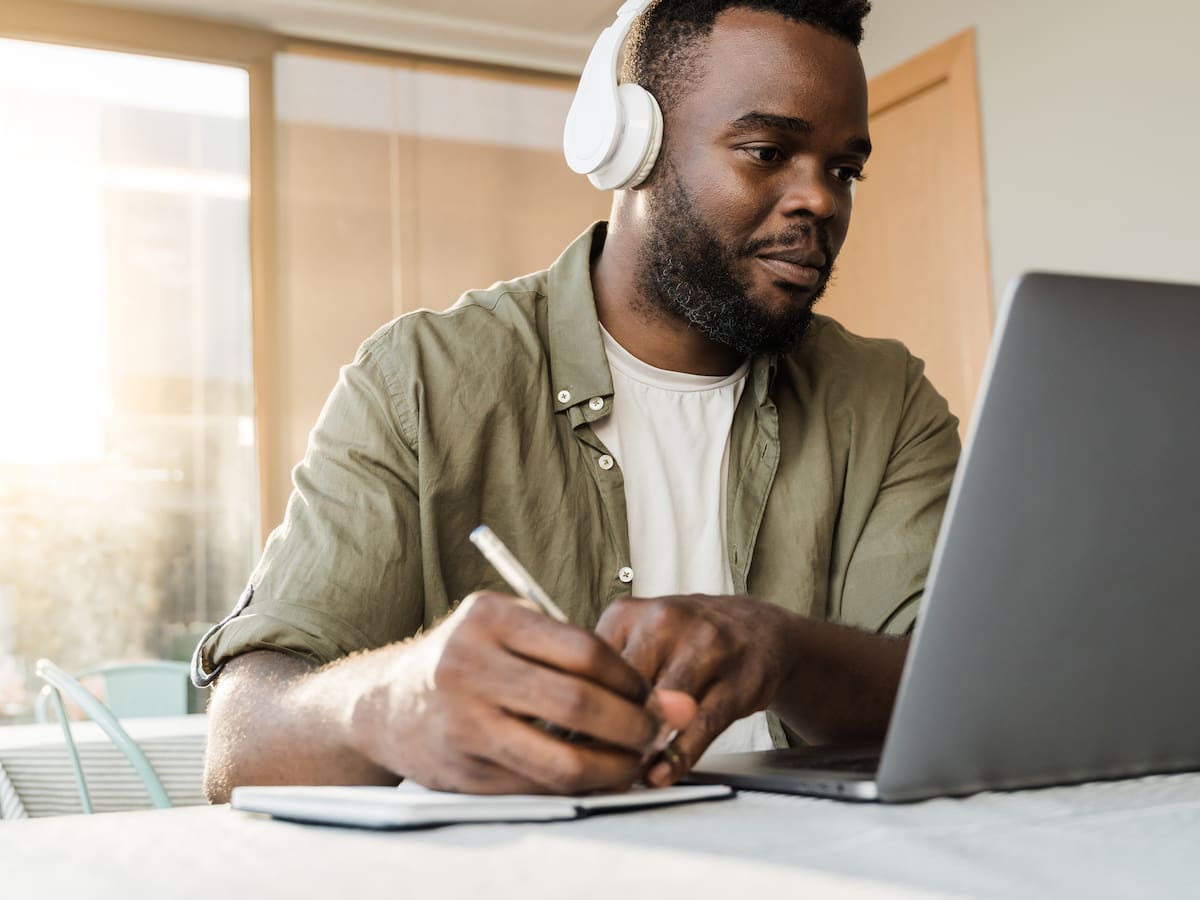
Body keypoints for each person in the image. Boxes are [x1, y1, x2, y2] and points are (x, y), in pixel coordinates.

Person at [196, 0, 960, 801]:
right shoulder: (421, 378)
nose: (821, 202)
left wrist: (784, 648)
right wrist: (392, 698)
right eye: (768, 151)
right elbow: (241, 748)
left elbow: (958, 689)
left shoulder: (886, 399)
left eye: (844, 170)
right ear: (633, 148)